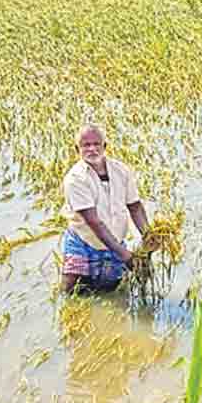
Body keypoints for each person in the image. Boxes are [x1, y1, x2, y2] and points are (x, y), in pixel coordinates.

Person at [60, 124, 149, 294]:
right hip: (83, 242)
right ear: (77, 149)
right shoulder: (75, 179)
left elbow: (135, 207)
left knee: (110, 292)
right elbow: (94, 222)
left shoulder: (121, 171)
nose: (92, 149)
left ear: (105, 146)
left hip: (114, 241)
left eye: (96, 144)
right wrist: (124, 254)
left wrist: (149, 235)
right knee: (70, 291)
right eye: (86, 145)